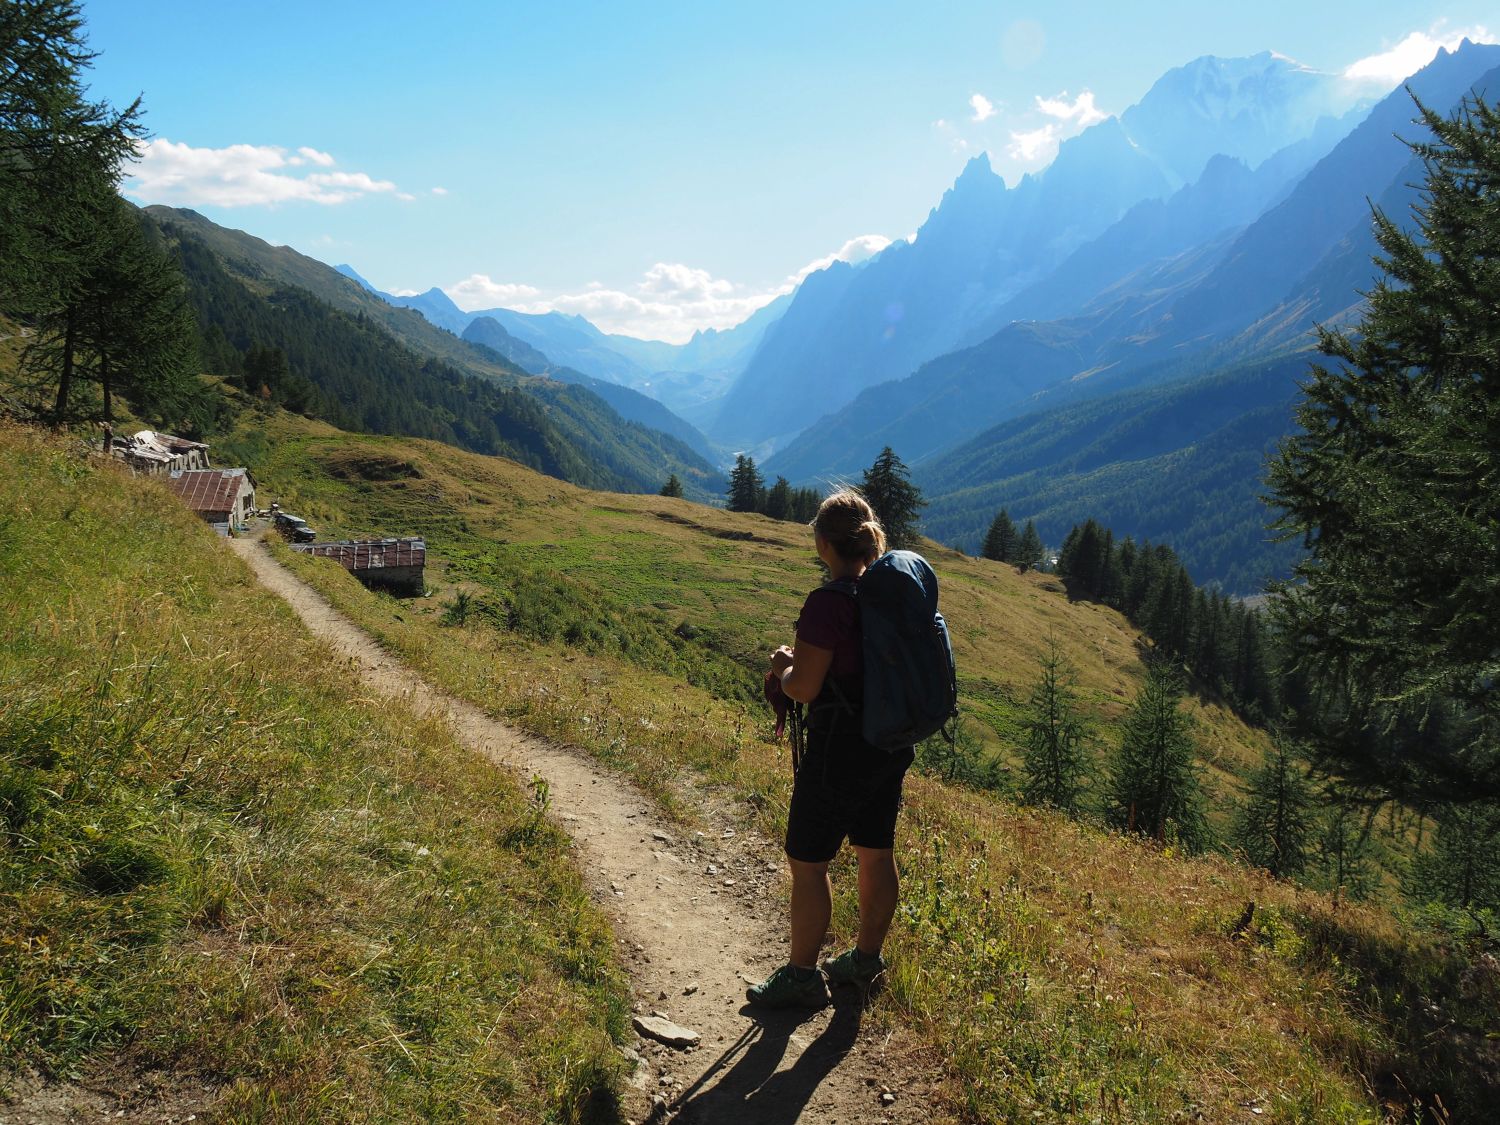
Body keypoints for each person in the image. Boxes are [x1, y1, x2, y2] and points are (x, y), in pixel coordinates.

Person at [747, 489, 916, 1009]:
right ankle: (865, 961)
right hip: (887, 744)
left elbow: (804, 688)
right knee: (875, 851)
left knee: (808, 860)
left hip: (838, 750)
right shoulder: (888, 597)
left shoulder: (828, 604)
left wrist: (782, 666)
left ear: (823, 543)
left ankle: (801, 976)